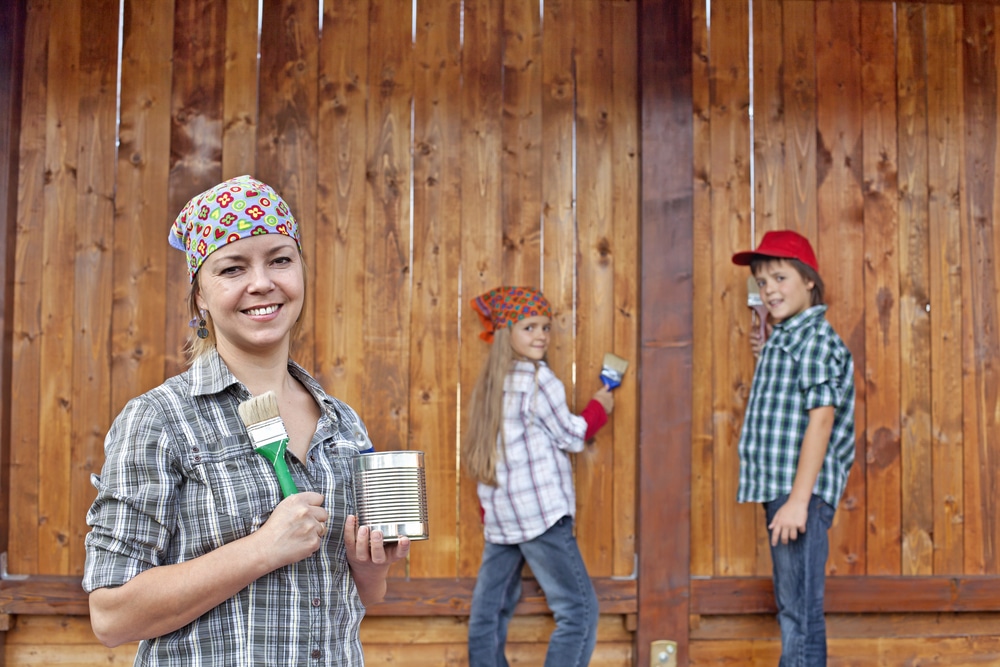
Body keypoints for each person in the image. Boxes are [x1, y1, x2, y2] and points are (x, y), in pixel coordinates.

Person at [83, 175, 410, 666]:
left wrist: (371, 569)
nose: (262, 282)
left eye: (280, 259)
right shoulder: (159, 420)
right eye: (232, 268)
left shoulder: (343, 425)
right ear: (200, 296)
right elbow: (110, 617)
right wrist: (261, 549)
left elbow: (361, 600)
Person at [462, 286, 615, 667]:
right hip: (541, 515)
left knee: (489, 615)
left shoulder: (490, 385)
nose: (541, 336)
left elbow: (486, 453)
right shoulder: (536, 379)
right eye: (530, 327)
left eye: (546, 327)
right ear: (506, 332)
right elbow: (573, 435)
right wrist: (601, 406)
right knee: (578, 612)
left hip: (501, 517)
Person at [731, 230, 856, 666]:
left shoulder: (816, 340)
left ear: (808, 281)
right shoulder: (787, 339)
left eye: (780, 278)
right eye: (762, 283)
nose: (769, 290)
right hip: (784, 491)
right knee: (796, 609)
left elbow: (821, 419)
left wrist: (799, 502)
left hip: (797, 492)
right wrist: (767, 352)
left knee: (799, 612)